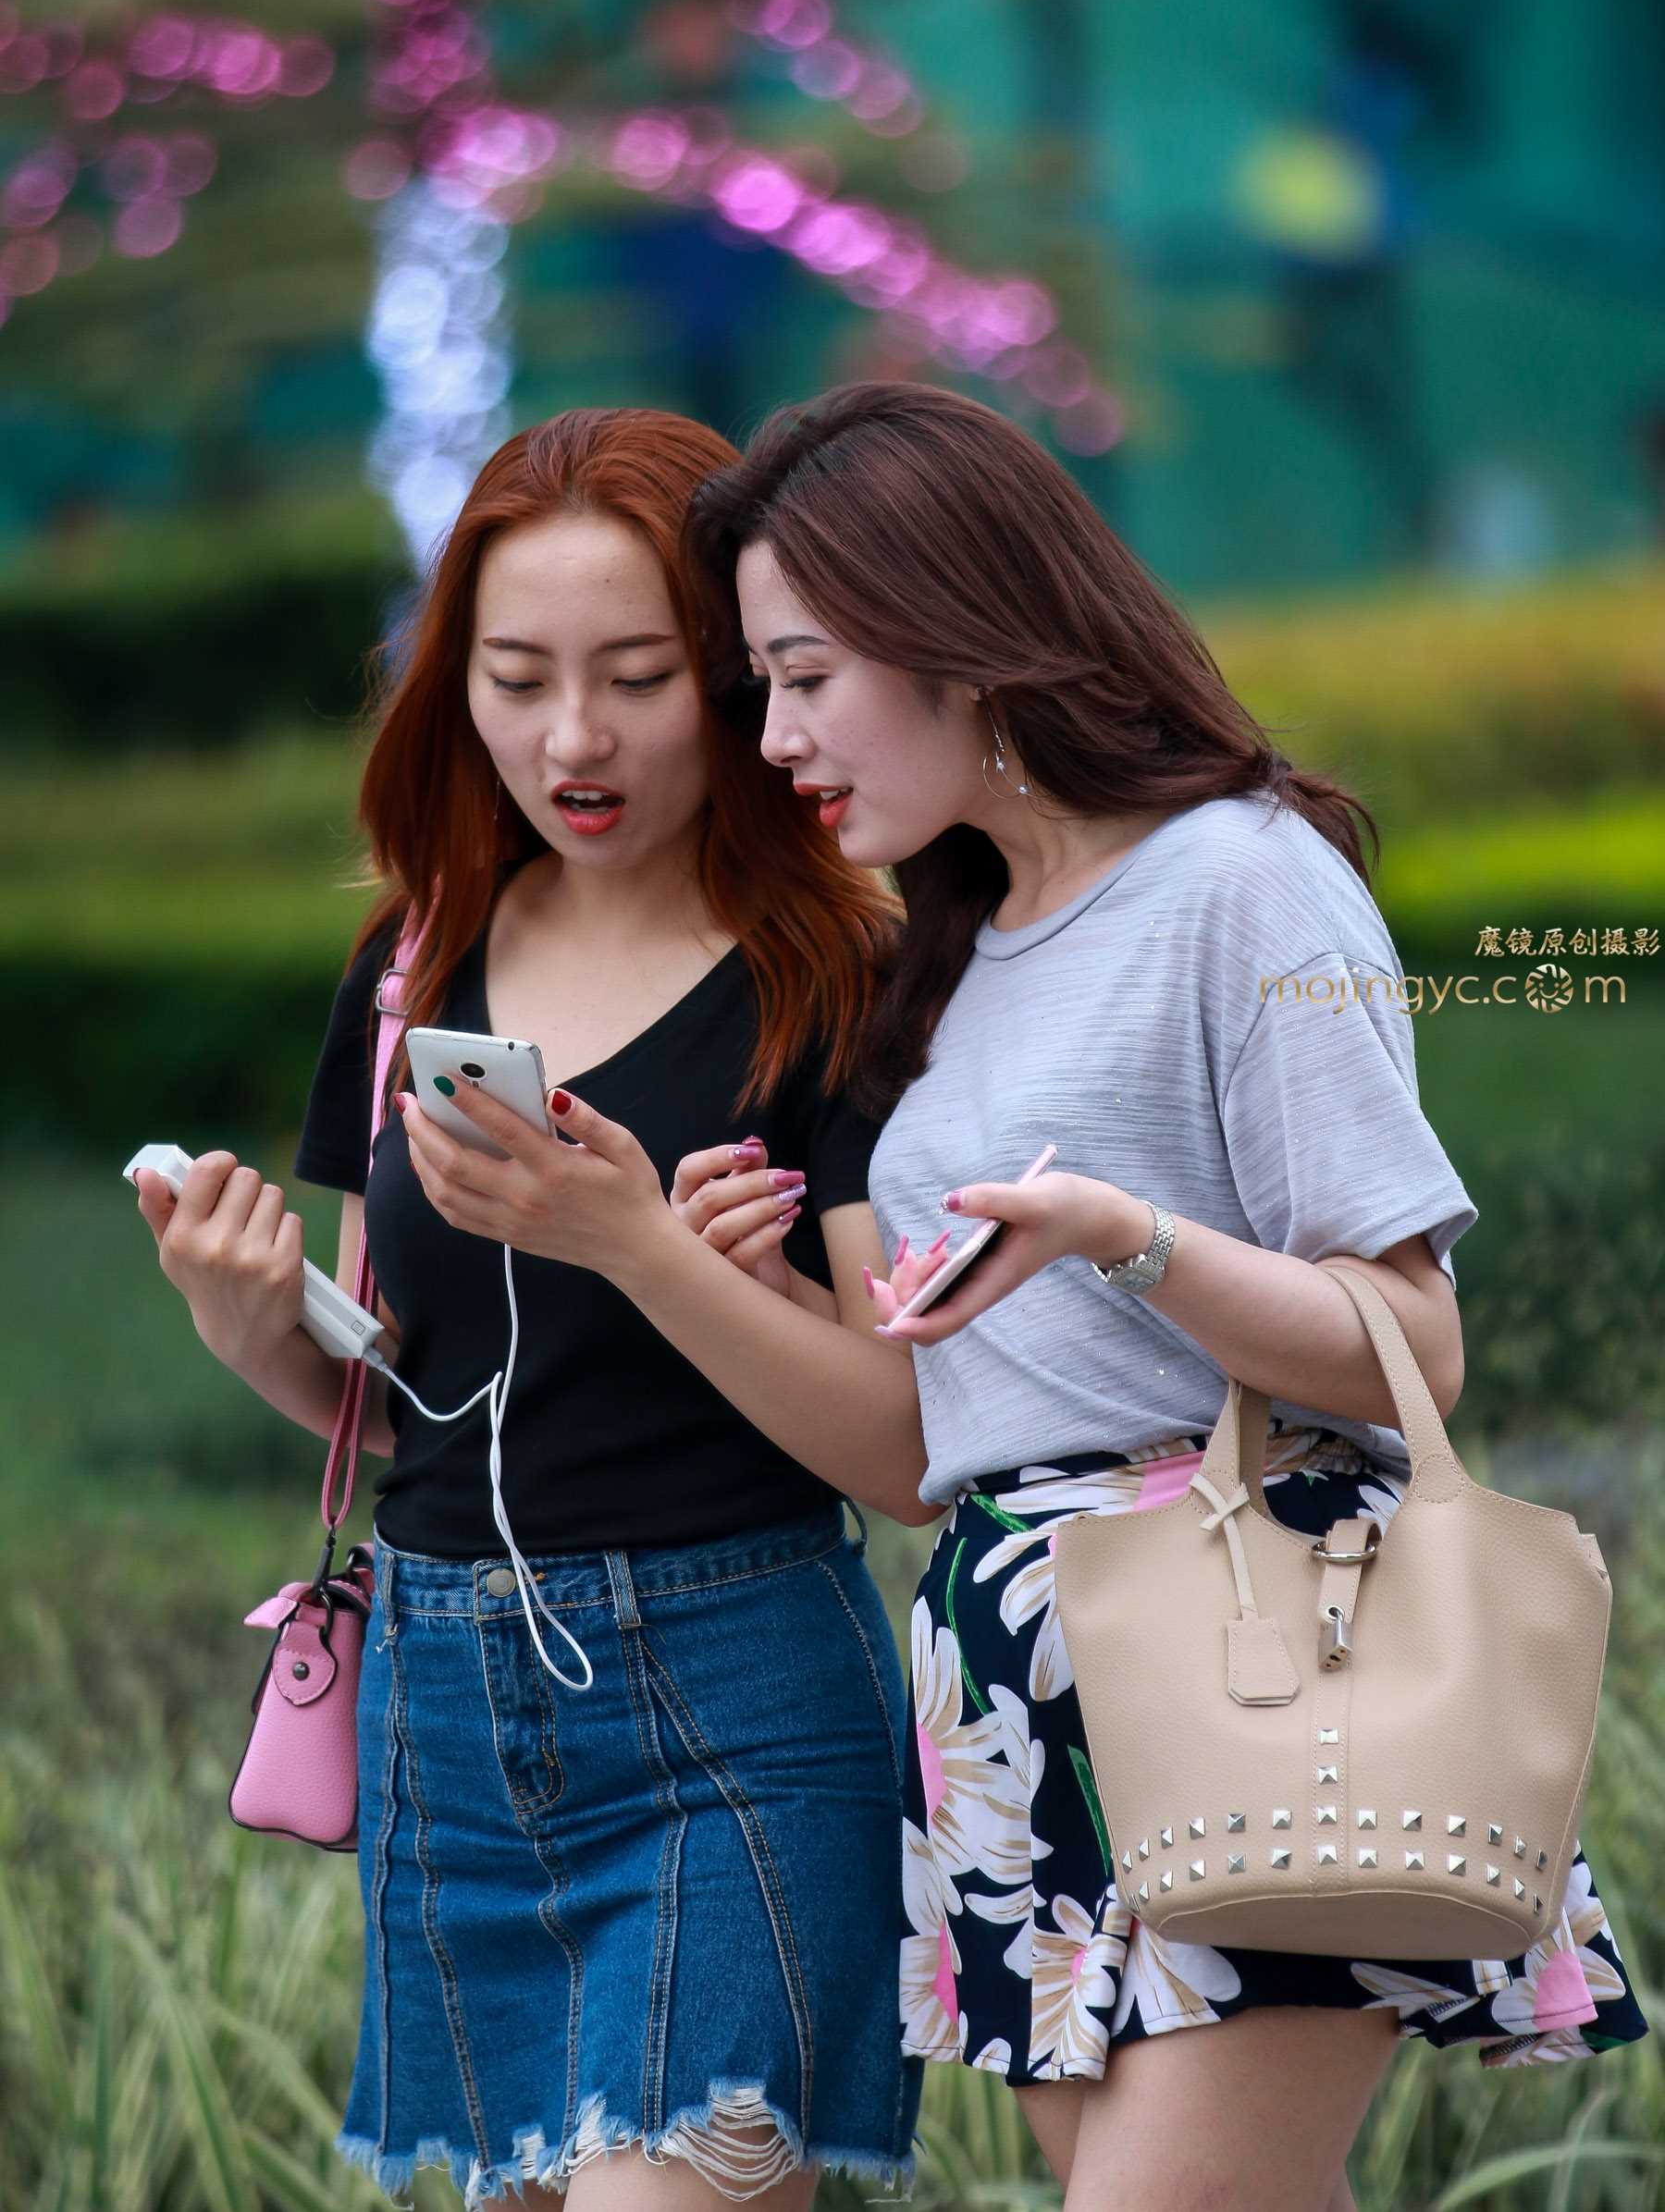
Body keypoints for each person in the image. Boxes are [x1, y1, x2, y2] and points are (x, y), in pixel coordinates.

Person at [684, 379, 1649, 2212]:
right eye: (760, 686)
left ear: (954, 631)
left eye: (806, 675)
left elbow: (1412, 1340)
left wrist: (1124, 1235)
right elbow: (940, 1429)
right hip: (1008, 1679)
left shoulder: (1241, 879)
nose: (778, 734)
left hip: (1254, 1644)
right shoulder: (951, 952)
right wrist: (721, 1272)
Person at [130, 407, 936, 2210]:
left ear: (735, 676)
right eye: (517, 679)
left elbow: (906, 1453)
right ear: (456, 689)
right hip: (445, 1718)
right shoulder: (416, 962)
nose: (574, 738)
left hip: (735, 1707)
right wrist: (245, 1320)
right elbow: (409, 1405)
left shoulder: (843, 977)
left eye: (638, 678)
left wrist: (638, 1244)